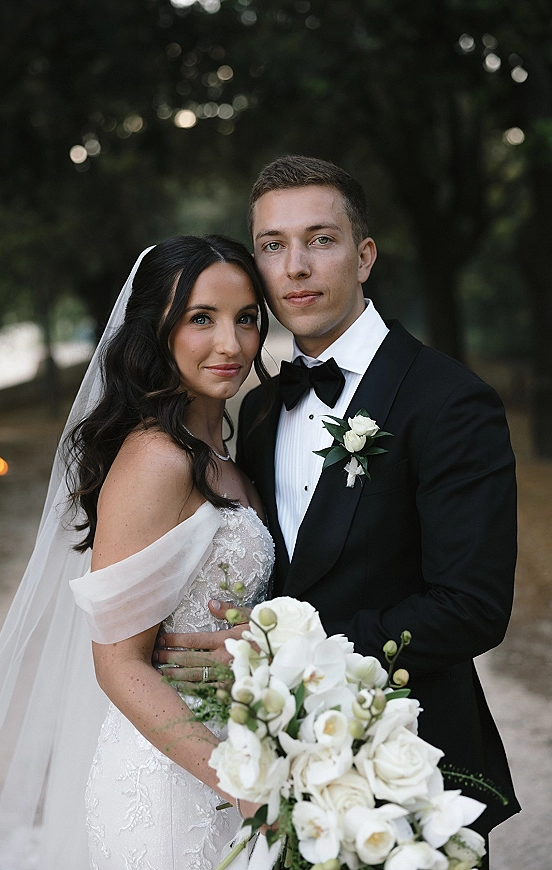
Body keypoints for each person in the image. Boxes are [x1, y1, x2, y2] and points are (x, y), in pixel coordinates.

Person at [155, 156, 521, 864]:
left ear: (364, 256)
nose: (295, 266)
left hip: (411, 772)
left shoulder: (450, 402)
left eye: (320, 240)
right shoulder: (259, 410)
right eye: (272, 245)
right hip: (280, 777)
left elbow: (473, 607)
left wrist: (279, 656)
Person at [0, 235, 274, 869]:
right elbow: (119, 664)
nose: (231, 344)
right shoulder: (157, 461)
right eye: (201, 319)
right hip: (172, 789)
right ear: (155, 331)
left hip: (243, 748)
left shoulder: (224, 459)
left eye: (246, 318)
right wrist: (243, 787)